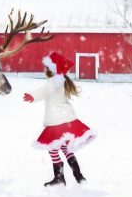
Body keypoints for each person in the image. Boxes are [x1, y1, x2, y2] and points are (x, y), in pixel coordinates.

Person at [23, 52, 96, 186]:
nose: (45, 69)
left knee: (53, 149)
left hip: (57, 121)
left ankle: (59, 177)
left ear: (51, 69)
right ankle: (79, 176)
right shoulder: (61, 80)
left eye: (47, 67)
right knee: (65, 149)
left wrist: (33, 96)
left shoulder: (54, 82)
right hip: (67, 119)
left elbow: (43, 91)